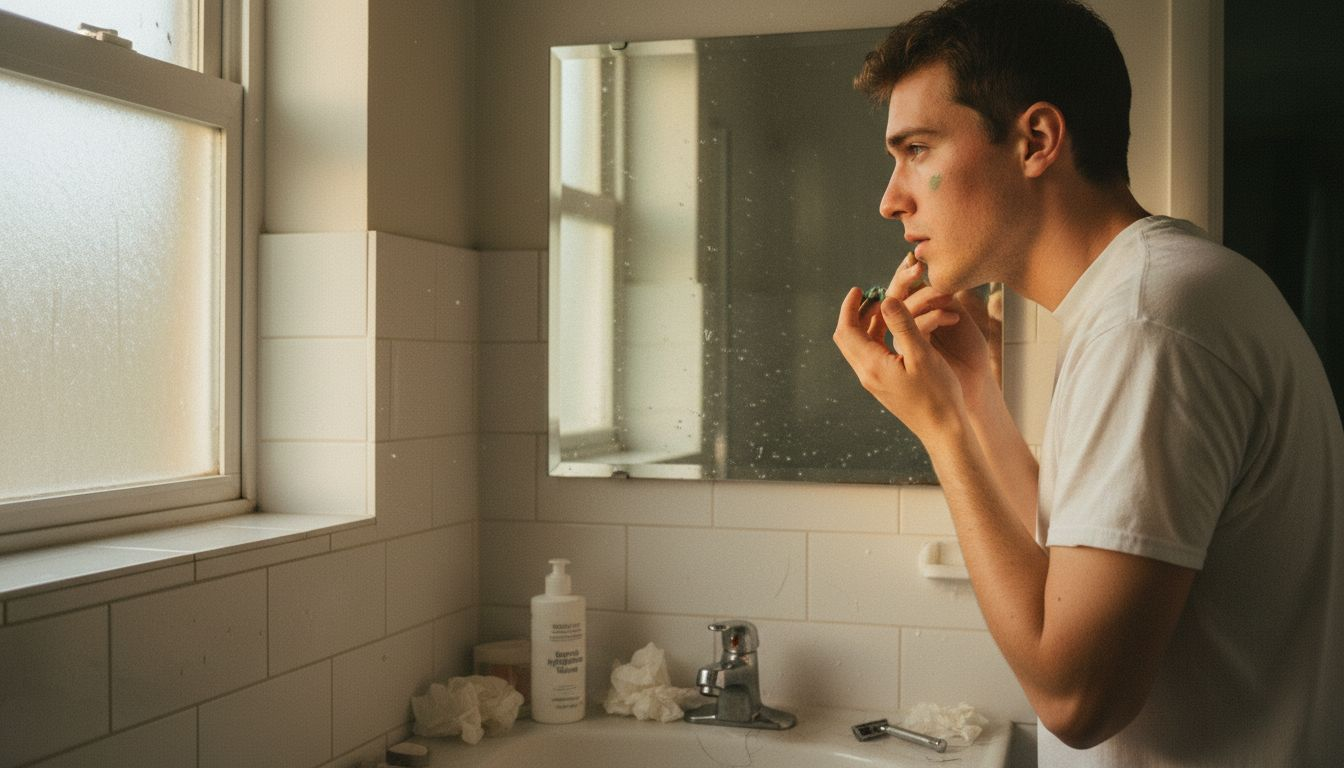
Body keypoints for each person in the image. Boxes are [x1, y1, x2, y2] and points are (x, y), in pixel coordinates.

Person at [831, 1, 1344, 765]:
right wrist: (972, 394)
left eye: (916, 148)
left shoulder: (1151, 326)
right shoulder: (1147, 299)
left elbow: (1075, 698)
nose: (890, 198)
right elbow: (1078, 568)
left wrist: (940, 434)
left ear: (1037, 140)